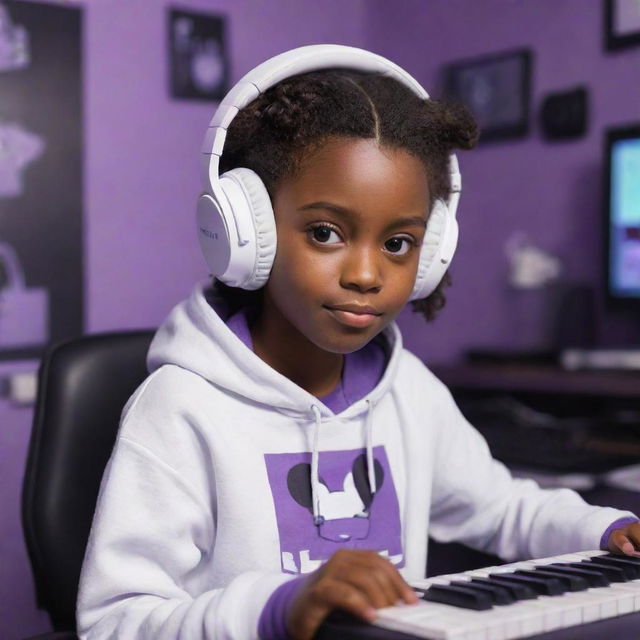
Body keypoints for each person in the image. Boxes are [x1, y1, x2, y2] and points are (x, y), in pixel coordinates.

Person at [76, 45, 640, 640]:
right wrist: (277, 609)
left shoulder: (410, 393)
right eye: (326, 233)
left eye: (399, 243)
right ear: (248, 235)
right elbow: (115, 621)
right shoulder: (180, 409)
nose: (367, 275)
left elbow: (500, 507)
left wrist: (604, 529)